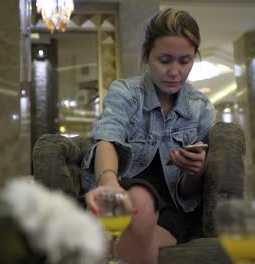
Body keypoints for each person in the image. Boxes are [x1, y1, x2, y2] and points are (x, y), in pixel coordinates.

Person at [81, 8, 216, 264]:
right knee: (139, 201)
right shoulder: (127, 92)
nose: (175, 71)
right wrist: (109, 183)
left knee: (135, 227)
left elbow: (189, 194)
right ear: (147, 55)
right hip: (124, 191)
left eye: (184, 61)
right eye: (165, 60)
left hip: (172, 211)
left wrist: (194, 171)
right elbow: (107, 139)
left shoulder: (202, 108)